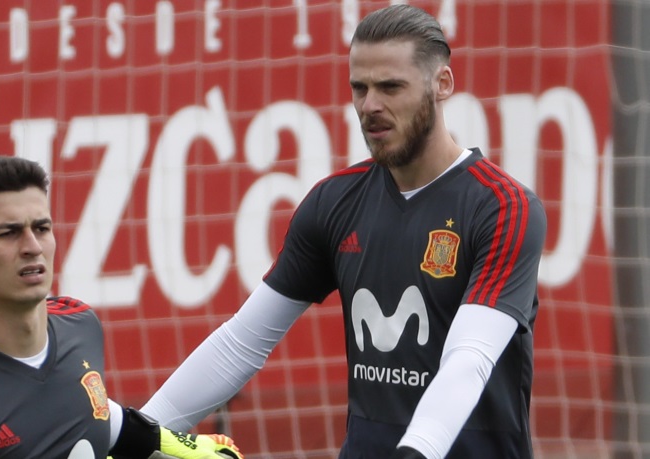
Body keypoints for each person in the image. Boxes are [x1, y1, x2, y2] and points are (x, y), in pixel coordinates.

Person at [140, 4, 545, 459]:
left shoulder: (503, 206)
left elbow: (468, 360)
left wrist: (414, 451)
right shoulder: (333, 204)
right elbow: (241, 343)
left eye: (391, 87)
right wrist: (135, 437)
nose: (371, 105)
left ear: (442, 84)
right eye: (360, 88)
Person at [0, 155, 244, 459]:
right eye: (9, 232)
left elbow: (94, 417)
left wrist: (184, 450)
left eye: (42, 227)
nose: (32, 246)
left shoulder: (78, 323)